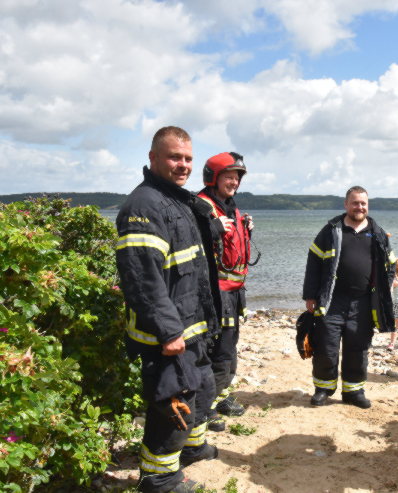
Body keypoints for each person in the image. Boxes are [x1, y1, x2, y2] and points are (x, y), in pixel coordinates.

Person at [116, 127, 220, 493]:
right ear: (153, 158)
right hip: (166, 334)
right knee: (172, 403)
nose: (183, 165)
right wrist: (169, 333)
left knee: (203, 387)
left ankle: (192, 450)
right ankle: (159, 479)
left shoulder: (177, 200)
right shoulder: (143, 206)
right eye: (175, 157)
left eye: (188, 158)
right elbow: (142, 279)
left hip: (191, 324)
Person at [302, 186, 396, 409]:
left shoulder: (378, 232)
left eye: (363, 203)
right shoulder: (331, 230)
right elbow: (313, 262)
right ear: (346, 204)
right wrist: (310, 295)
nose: (359, 207)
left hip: (364, 301)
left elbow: (390, 264)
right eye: (355, 203)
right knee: (327, 346)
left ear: (367, 205)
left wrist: (383, 289)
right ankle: (323, 389)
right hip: (332, 300)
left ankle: (354, 391)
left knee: (358, 347)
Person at [197, 152, 254, 432]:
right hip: (215, 295)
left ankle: (218, 399)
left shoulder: (229, 207)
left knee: (228, 352)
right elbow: (189, 242)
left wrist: (245, 229)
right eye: (229, 177)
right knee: (218, 353)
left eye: (237, 178)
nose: (233, 182)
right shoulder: (201, 207)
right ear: (214, 177)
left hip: (233, 293)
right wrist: (211, 228)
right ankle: (203, 408)